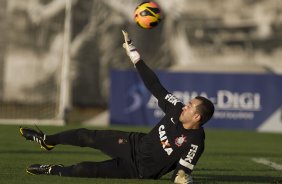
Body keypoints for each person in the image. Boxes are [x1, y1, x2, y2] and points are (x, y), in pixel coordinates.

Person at [19, 30, 214, 184]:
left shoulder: (195, 142)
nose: (184, 107)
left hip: (138, 170)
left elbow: (181, 173)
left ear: (197, 117)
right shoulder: (175, 109)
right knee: (87, 136)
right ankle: (47, 140)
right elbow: (154, 85)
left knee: (84, 170)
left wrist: (182, 178)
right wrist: (133, 54)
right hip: (132, 143)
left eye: (190, 106)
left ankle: (52, 170)